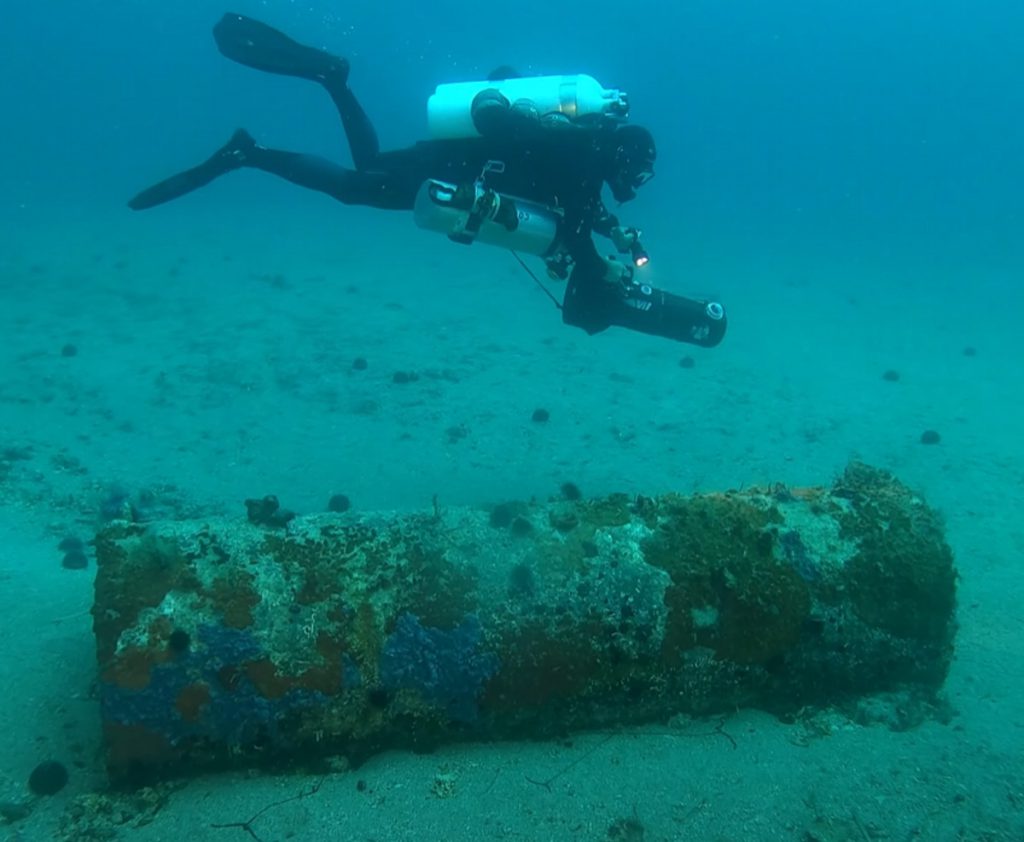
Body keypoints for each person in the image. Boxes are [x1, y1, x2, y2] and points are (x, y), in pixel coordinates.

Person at [128, 13, 727, 347]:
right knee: (354, 182)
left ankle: (287, 120)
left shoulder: (583, 159)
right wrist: (598, 269)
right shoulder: (581, 159)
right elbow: (570, 216)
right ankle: (264, 139)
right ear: (621, 155)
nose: (635, 184)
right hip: (450, 168)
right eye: (636, 174)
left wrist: (610, 236)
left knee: (360, 176)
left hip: (455, 165)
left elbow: (577, 211)